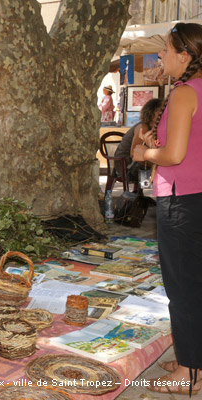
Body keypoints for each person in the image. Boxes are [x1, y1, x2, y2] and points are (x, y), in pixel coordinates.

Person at [132, 22, 202, 397]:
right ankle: (192, 360)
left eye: (166, 49)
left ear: (185, 56)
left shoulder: (185, 92)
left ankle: (189, 372)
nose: (160, 55)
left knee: (184, 287)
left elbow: (174, 155)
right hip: (198, 198)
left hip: (183, 200)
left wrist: (145, 152)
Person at [113, 98, 162, 183]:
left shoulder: (155, 128)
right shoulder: (143, 127)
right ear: (152, 112)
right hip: (126, 165)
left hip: (133, 163)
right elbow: (134, 154)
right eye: (160, 110)